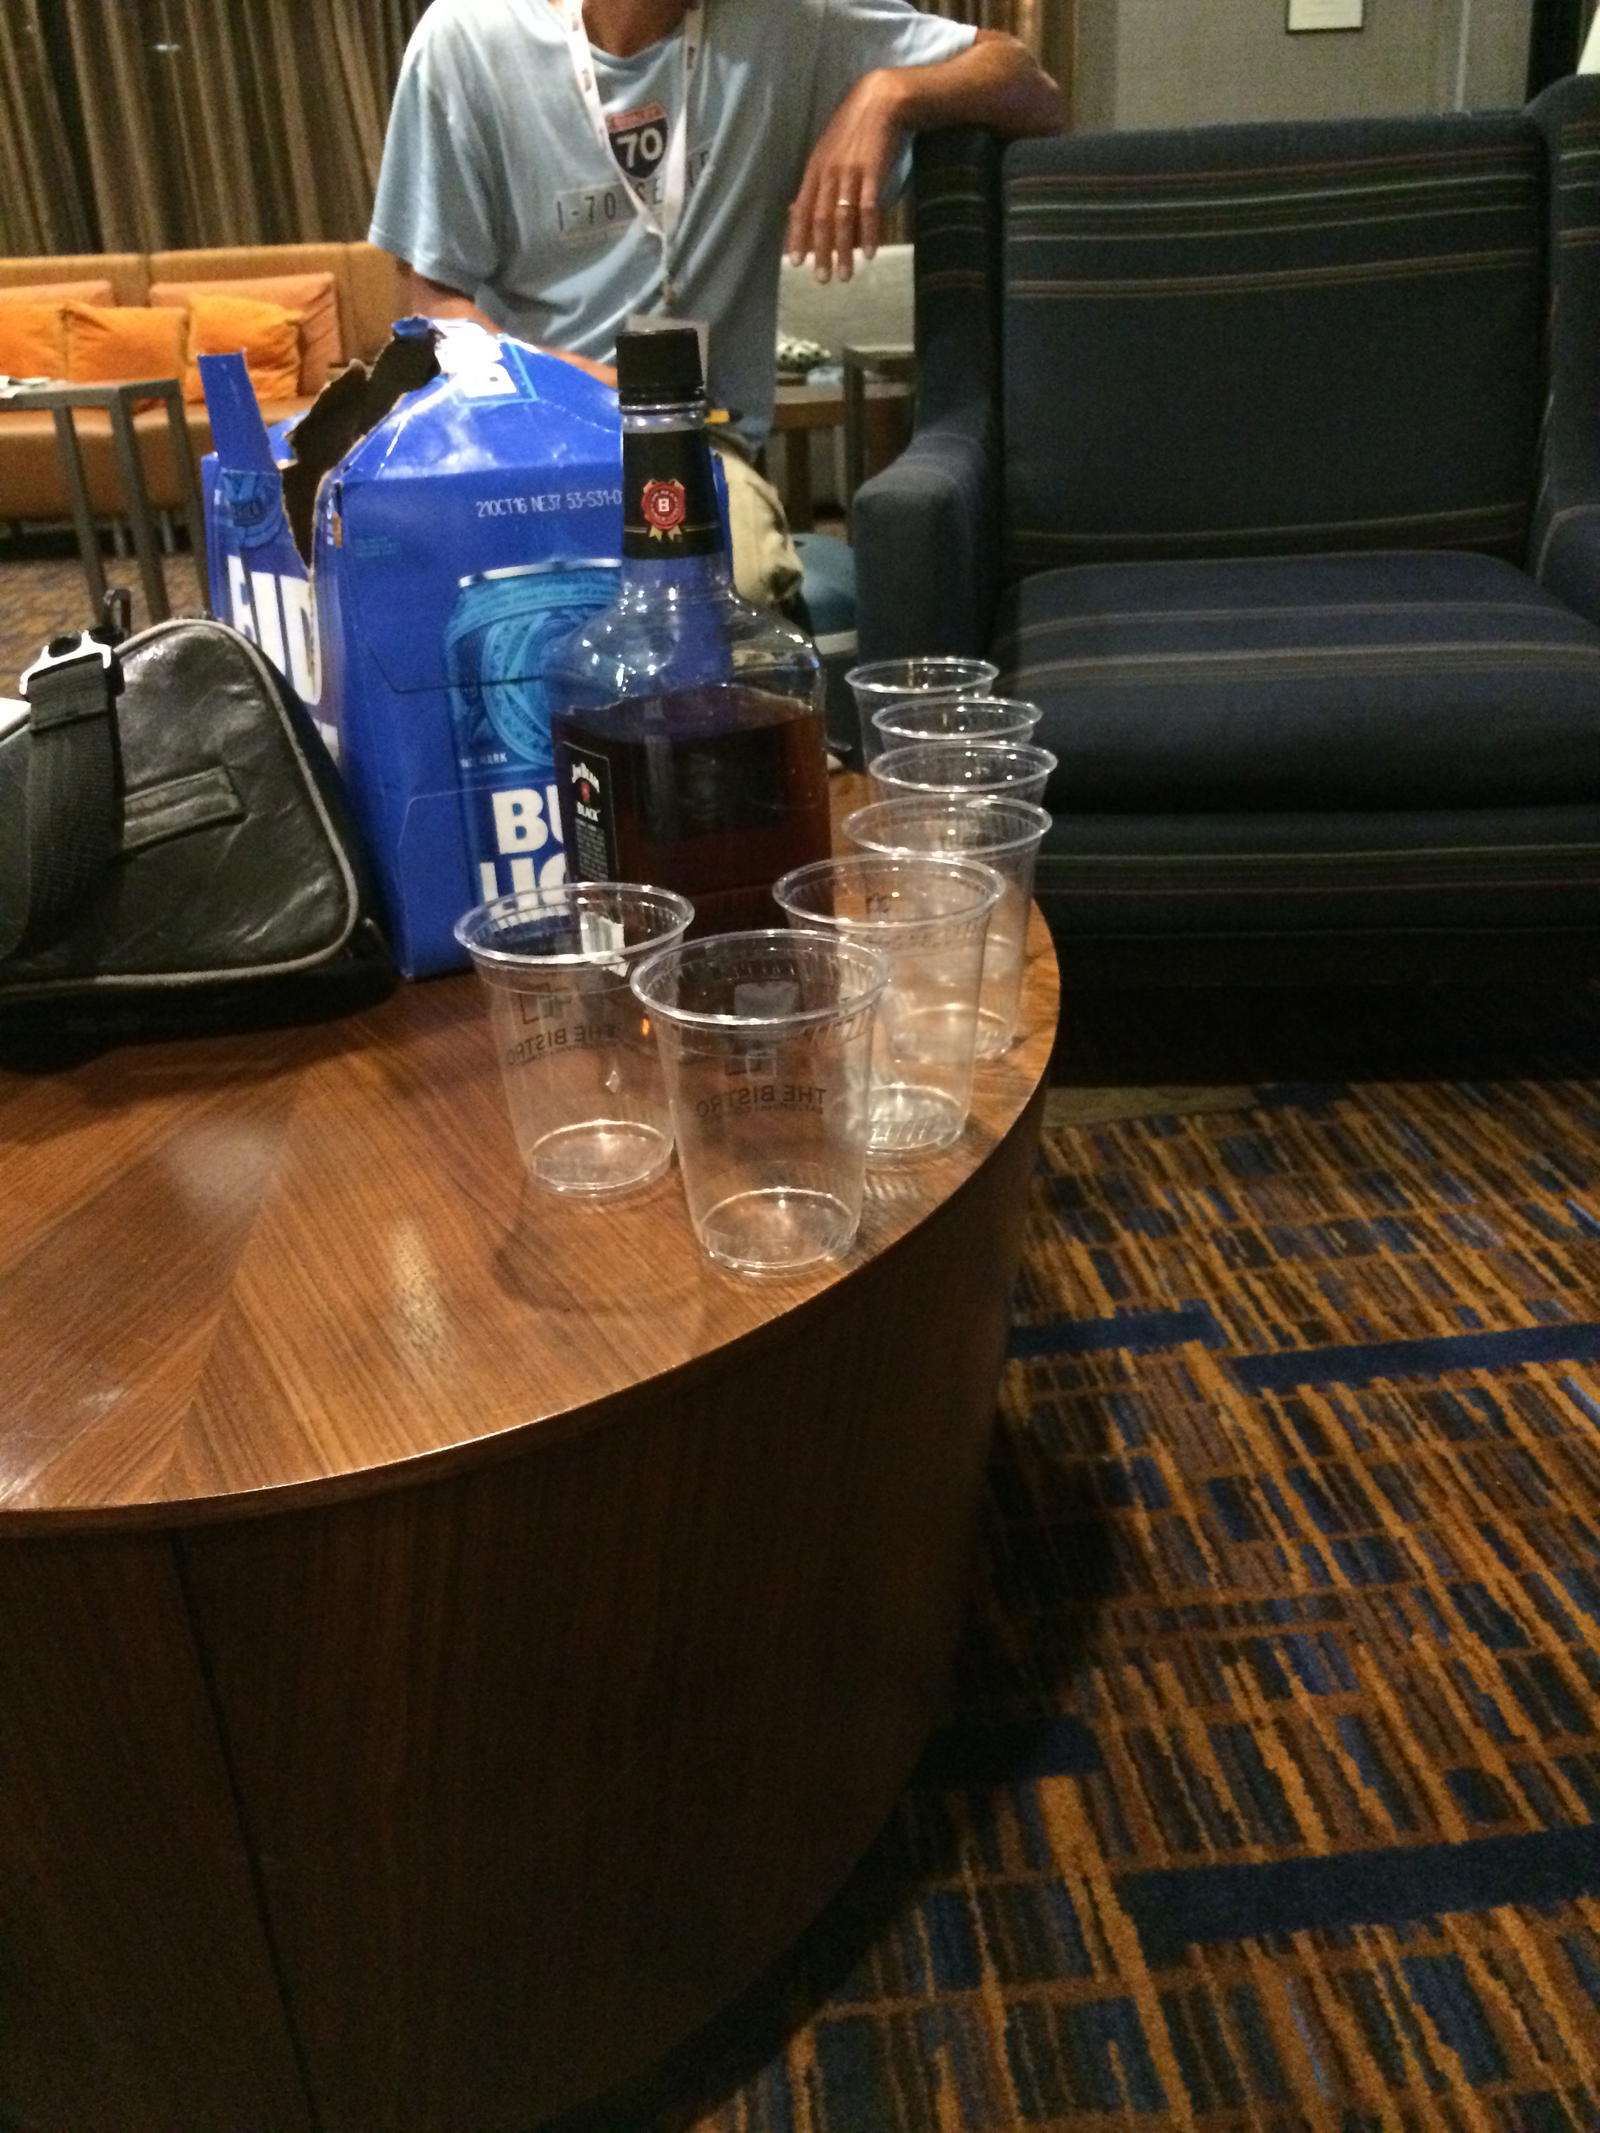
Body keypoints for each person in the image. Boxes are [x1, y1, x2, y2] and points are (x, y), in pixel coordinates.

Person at [370, 0, 1061, 453]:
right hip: (518, 442)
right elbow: (436, 305)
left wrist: (889, 94)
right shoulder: (467, 38)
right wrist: (578, 386)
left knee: (707, 591)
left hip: (697, 446)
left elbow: (1029, 86)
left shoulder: (790, 20)